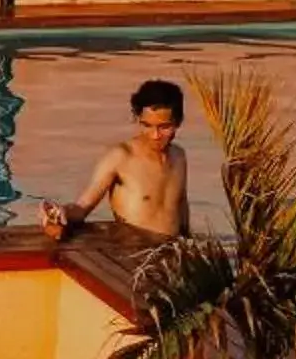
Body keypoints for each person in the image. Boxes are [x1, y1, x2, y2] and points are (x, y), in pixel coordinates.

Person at [42, 78, 192, 239]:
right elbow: (83, 206)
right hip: (134, 255)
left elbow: (181, 205)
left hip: (173, 252)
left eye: (164, 127)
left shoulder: (179, 156)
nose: (155, 135)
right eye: (146, 125)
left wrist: (190, 242)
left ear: (179, 121)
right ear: (137, 119)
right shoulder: (120, 157)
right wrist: (61, 213)